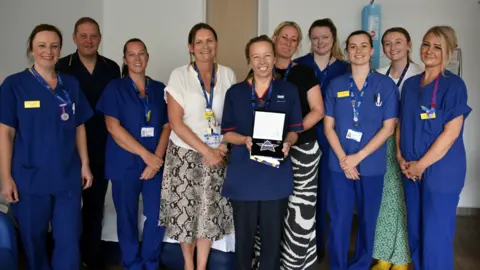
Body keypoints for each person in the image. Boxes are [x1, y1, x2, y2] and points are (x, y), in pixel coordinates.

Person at [0, 24, 93, 270]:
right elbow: (6, 133)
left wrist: (85, 164)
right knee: (33, 241)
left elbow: (78, 126)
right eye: (42, 45)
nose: (48, 51)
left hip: (67, 177)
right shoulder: (14, 85)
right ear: (31, 49)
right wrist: (6, 177)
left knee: (69, 240)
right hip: (29, 178)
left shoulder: (70, 85)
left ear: (60, 50)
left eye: (54, 46)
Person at [221, 34, 303, 270]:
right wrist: (245, 139)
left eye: (267, 55)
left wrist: (287, 142)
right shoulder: (235, 93)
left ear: (275, 57)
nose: (262, 61)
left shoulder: (289, 91)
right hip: (244, 177)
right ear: (249, 60)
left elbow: (295, 131)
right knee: (244, 242)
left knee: (271, 242)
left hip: (274, 178)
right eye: (256, 56)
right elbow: (227, 133)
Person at [159, 23, 235, 270]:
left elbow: (233, 119)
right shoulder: (179, 75)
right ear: (191, 47)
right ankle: (188, 265)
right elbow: (175, 122)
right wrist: (207, 152)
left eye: (210, 40)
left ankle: (201, 266)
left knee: (207, 214)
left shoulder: (228, 74)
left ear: (216, 44)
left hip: (218, 153)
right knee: (186, 216)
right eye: (199, 42)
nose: (205, 46)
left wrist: (221, 147)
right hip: (184, 155)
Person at [323, 30, 399, 270]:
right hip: (339, 166)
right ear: (346, 51)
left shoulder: (385, 85)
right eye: (353, 46)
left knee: (368, 219)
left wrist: (358, 157)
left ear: (372, 50)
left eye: (363, 46)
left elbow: (388, 128)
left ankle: (361, 264)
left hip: (371, 165)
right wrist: (345, 160)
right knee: (339, 219)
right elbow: (328, 127)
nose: (358, 51)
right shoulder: (335, 85)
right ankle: (338, 265)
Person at [399, 26, 471, 270]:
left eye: (437, 46)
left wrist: (421, 165)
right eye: (426, 44)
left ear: (448, 51)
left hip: (441, 171)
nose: (429, 51)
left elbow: (451, 133)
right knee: (416, 232)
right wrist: (400, 155)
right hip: (410, 169)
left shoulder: (454, 86)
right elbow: (401, 123)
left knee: (436, 235)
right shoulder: (410, 85)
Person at [96, 38, 170, 270]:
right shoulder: (114, 88)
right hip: (124, 163)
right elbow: (113, 128)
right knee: (126, 216)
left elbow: (168, 126)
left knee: (159, 214)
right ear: (124, 59)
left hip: (155, 163)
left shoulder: (159, 89)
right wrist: (147, 156)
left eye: (141, 54)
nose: (137, 59)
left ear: (147, 57)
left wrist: (156, 159)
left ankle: (150, 261)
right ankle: (132, 263)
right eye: (131, 54)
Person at [55, 17, 121, 268]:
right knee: (67, 210)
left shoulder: (112, 68)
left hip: (103, 147)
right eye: (83, 36)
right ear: (74, 38)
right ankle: (68, 259)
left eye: (93, 36)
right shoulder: (62, 67)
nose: (88, 41)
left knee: (95, 207)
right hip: (67, 149)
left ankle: (90, 258)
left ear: (100, 38)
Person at [264, 21, 323, 269]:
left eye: (294, 39)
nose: (288, 43)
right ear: (274, 38)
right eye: (284, 37)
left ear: (298, 45)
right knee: (268, 206)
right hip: (267, 148)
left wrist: (293, 132)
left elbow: (318, 110)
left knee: (300, 210)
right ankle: (266, 261)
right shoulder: (261, 68)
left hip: (303, 149)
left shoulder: (304, 73)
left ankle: (295, 263)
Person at [294, 19, 349, 259]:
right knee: (304, 195)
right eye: (315, 37)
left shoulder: (345, 68)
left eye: (325, 37)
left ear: (333, 38)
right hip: (304, 137)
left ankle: (322, 247)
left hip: (333, 140)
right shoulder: (299, 65)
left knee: (328, 195)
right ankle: (304, 247)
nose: (320, 42)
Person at [372, 27, 424, 270]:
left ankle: (402, 258)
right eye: (388, 43)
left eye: (398, 42)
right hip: (382, 142)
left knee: (406, 202)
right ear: (382, 48)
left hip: (409, 144)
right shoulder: (377, 74)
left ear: (409, 44)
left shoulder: (421, 75)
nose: (393, 47)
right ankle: (383, 255)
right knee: (385, 200)